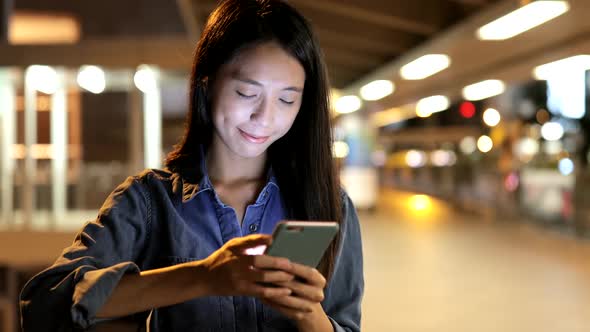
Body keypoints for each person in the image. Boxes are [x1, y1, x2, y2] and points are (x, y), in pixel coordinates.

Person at [19, 0, 364, 331]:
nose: (265, 117)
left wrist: (308, 314)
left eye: (287, 99)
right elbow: (43, 305)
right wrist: (202, 277)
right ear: (208, 82)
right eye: (247, 93)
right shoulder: (150, 201)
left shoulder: (329, 204)